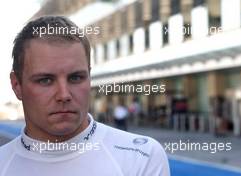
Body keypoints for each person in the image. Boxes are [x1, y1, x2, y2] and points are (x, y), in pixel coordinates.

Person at [0, 16, 170, 176]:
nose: (64, 95)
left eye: (75, 78)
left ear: (89, 77)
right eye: (45, 80)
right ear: (16, 85)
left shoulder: (141, 156)